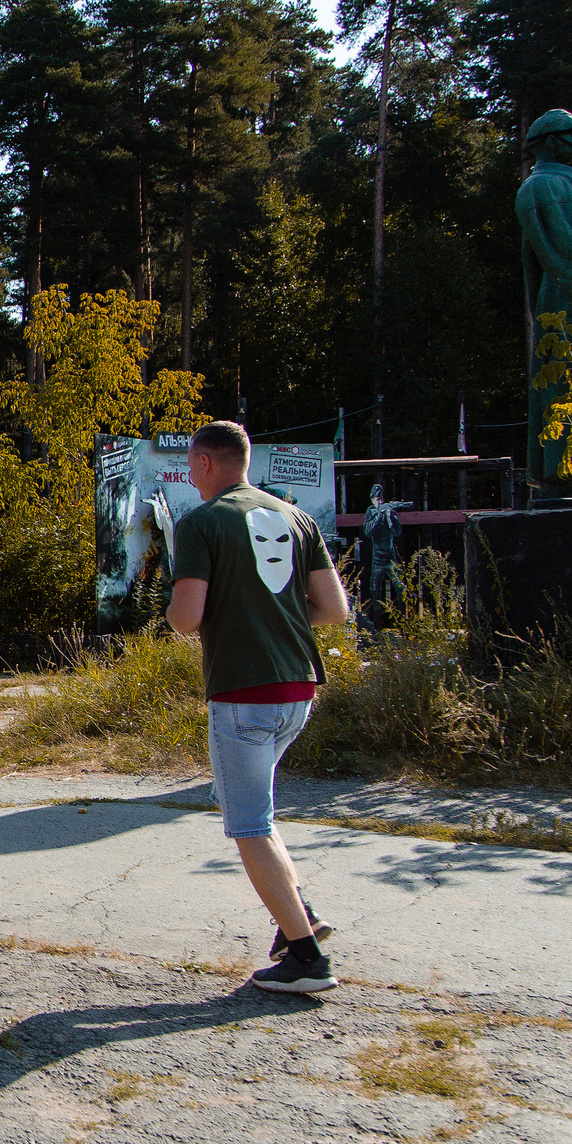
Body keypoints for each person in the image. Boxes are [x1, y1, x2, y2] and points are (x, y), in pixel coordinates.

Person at [164, 419, 352, 994]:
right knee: (244, 803)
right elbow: (334, 609)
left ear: (204, 464)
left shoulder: (202, 524)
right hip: (299, 689)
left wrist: (182, 614)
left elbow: (186, 618)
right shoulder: (295, 517)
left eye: (193, 469)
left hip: (244, 692)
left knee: (249, 825)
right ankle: (300, 912)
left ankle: (305, 958)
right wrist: (277, 619)